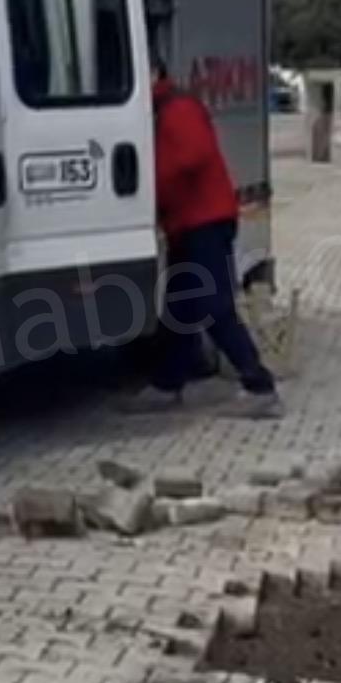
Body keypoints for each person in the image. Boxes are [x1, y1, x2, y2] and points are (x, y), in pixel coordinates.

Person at [123, 62, 282, 418]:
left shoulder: (177, 108)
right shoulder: (162, 108)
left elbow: (193, 156)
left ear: (151, 73)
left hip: (204, 220)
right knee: (181, 307)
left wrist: (148, 188)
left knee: (214, 304)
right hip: (190, 222)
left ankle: (259, 385)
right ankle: (167, 383)